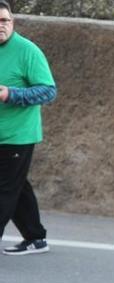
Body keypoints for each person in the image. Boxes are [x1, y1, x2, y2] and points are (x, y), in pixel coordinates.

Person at [0, 0, 56, 255]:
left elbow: (48, 91)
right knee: (17, 186)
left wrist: (10, 94)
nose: (1, 26)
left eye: (5, 21)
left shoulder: (27, 51)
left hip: (16, 136)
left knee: (5, 190)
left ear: (13, 22)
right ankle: (36, 237)